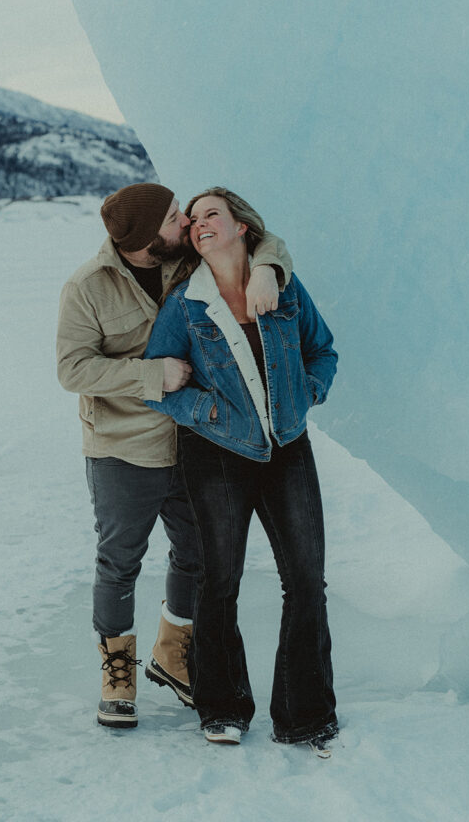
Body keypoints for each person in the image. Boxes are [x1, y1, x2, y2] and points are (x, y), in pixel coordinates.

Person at [56, 183, 293, 729]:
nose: (184, 222)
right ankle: (118, 673)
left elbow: (259, 237)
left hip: (193, 439)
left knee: (199, 554)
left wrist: (267, 270)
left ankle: (171, 652)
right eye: (170, 219)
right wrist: (150, 375)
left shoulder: (183, 258)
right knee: (119, 562)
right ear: (142, 240)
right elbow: (72, 370)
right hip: (123, 448)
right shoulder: (87, 288)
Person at [143, 187, 338, 752]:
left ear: (241, 228)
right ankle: (222, 707)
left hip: (288, 447)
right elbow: (158, 382)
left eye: (212, 215)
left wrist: (308, 392)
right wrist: (201, 409)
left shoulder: (281, 285)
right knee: (219, 580)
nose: (200, 224)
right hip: (216, 455)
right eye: (195, 218)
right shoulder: (184, 304)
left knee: (306, 582)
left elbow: (322, 350)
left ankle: (305, 714)